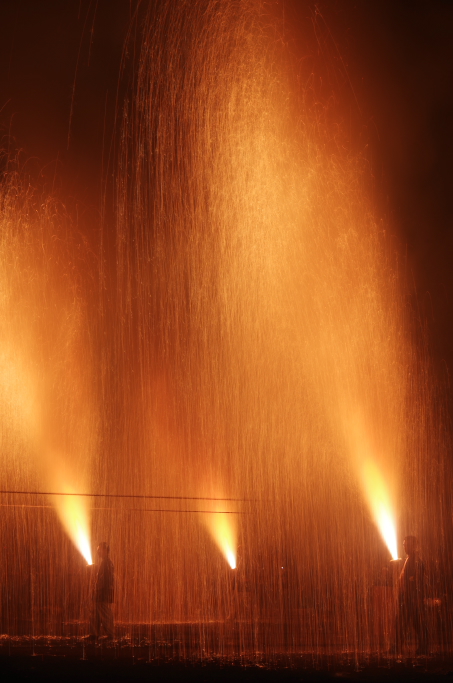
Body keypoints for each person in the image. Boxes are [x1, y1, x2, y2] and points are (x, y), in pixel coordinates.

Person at [391, 535, 428, 655]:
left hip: (412, 598)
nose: (405, 547)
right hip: (408, 597)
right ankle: (422, 647)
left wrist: (412, 590)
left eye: (407, 544)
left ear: (414, 545)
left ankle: (422, 647)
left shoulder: (416, 560)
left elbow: (418, 579)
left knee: (410, 623)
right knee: (406, 623)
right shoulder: (410, 559)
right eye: (404, 545)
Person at [88, 542, 115, 640]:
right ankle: (94, 634)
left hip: (104, 593)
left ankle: (109, 635)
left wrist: (100, 590)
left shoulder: (107, 563)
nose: (98, 552)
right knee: (96, 612)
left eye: (99, 550)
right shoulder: (106, 563)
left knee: (105, 613)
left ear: (105, 550)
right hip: (102, 593)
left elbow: (106, 580)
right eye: (97, 550)